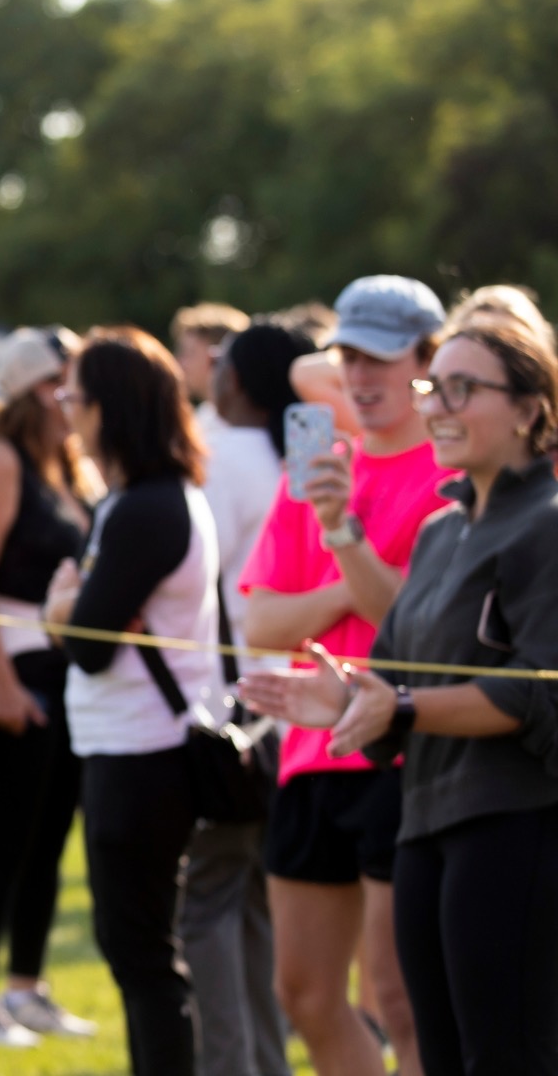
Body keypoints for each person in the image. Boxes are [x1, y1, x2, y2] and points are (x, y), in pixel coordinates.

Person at [239, 318, 558, 1075]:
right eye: (432, 388)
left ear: (528, 409)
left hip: (514, 825)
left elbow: (539, 695)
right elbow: (400, 674)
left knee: (506, 1055)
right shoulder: (445, 531)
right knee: (441, 1053)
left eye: (462, 389)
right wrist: (343, 699)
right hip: (427, 822)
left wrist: (401, 708)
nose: (437, 407)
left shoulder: (546, 523)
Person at [240, 275, 448, 1076]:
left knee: (401, 996)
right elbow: (261, 623)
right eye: (349, 356)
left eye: (381, 358)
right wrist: (345, 570)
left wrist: (341, 536)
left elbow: (409, 630)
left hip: (405, 748)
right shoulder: (321, 467)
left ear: (427, 361)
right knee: (306, 995)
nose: (360, 376)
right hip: (308, 754)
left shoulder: (451, 470)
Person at [45, 326, 219, 1076]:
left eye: (74, 396)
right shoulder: (141, 500)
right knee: (136, 949)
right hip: (129, 743)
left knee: (142, 953)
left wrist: (60, 612)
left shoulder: (149, 507)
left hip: (143, 750)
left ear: (110, 409)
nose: (64, 409)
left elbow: (87, 641)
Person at [0, 327, 98, 1047]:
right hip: (19, 671)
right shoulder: (2, 458)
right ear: (36, 388)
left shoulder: (68, 465)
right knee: (4, 838)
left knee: (48, 841)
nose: (75, 394)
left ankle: (28, 987)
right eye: (63, 380)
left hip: (68, 673)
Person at [185, 322, 313, 1076]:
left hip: (231, 704)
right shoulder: (290, 459)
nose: (210, 369)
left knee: (207, 902)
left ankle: (230, 1065)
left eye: (224, 360)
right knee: (258, 905)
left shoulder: (220, 454)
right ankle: (266, 1060)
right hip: (289, 703)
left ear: (242, 380)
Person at [172, 303, 252, 427]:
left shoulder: (242, 423)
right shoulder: (201, 419)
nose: (180, 363)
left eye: (190, 352)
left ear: (218, 353)